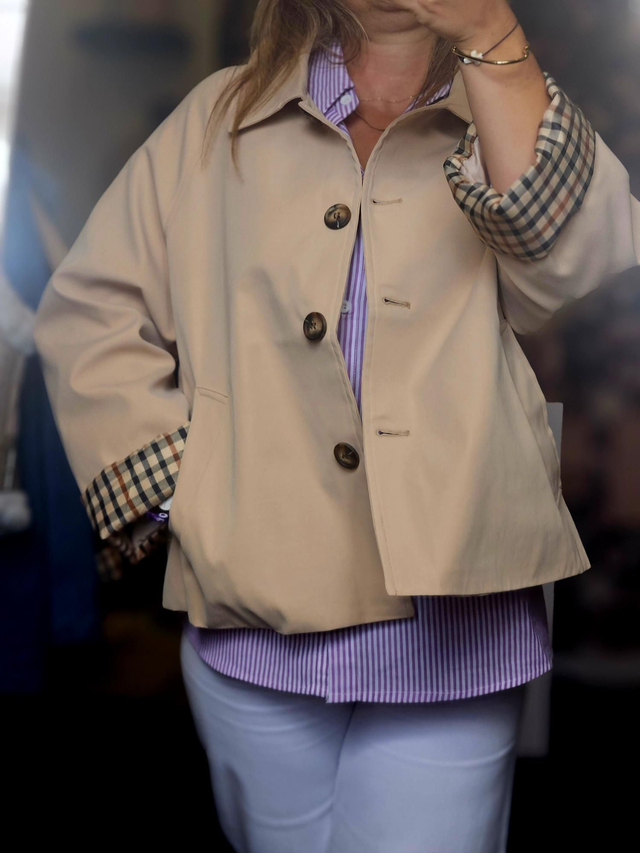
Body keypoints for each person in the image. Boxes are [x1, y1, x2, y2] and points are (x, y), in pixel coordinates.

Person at [33, 1, 640, 851]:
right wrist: (186, 492)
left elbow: (575, 270)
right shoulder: (217, 118)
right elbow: (90, 312)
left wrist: (490, 34)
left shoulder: (514, 111)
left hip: (455, 628)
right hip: (252, 624)